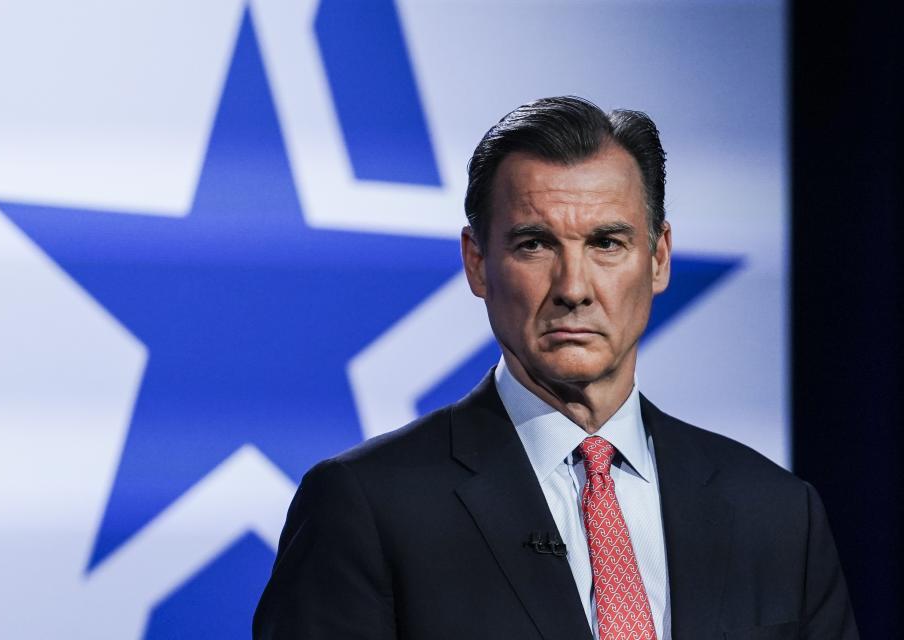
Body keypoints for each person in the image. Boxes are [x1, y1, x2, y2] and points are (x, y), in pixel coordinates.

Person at [252, 96, 858, 639]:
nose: (573, 288)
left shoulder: (778, 514)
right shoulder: (366, 507)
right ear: (478, 263)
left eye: (607, 243)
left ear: (659, 259)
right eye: (534, 244)